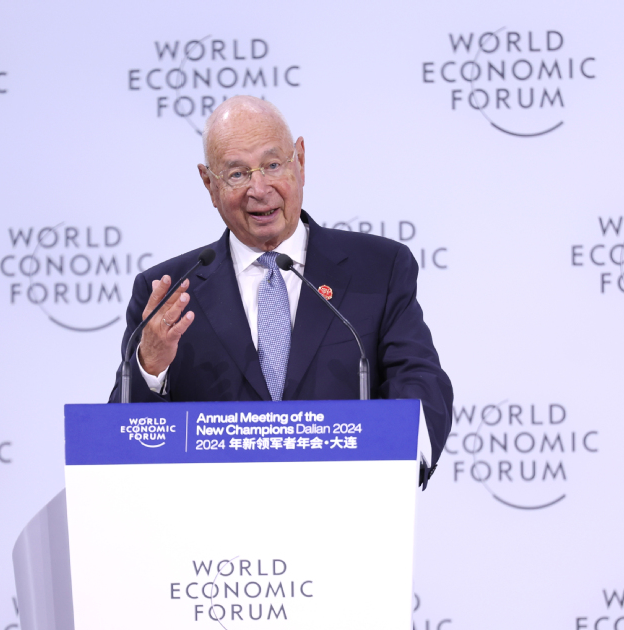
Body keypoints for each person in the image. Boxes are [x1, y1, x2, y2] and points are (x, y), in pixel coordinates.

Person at [107, 96, 453, 481]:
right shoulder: (170, 293)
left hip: (346, 502)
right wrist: (150, 366)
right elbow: (122, 442)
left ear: (300, 161)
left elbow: (419, 378)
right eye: (237, 174)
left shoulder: (378, 269)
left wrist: (398, 460)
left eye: (273, 165)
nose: (259, 189)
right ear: (209, 184)